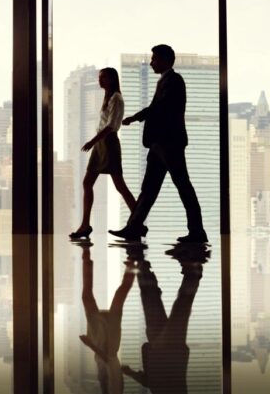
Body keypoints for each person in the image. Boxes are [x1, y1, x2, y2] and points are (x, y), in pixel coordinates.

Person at [109, 45, 207, 246]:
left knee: (182, 186)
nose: (152, 62)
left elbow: (159, 108)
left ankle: (197, 232)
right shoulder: (166, 80)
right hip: (159, 144)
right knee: (149, 189)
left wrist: (136, 117)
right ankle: (134, 227)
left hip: (169, 143)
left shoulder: (174, 80)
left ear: (165, 60)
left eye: (154, 59)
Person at [121, 250, 203, 394]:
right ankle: (193, 268)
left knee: (152, 301)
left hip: (158, 349)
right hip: (171, 351)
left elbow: (149, 382)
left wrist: (130, 373)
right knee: (179, 306)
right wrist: (130, 373)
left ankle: (141, 265)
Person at [71, 67, 137, 240]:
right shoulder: (107, 97)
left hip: (108, 143)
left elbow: (111, 126)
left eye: (104, 77)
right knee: (88, 182)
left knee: (119, 185)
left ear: (112, 79)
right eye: (99, 77)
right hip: (101, 144)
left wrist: (92, 141)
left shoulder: (117, 98)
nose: (100, 81)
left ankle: (138, 221)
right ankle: (85, 224)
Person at [78, 243, 135, 393]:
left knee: (114, 296)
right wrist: (89, 344)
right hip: (107, 345)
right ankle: (86, 255)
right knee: (115, 296)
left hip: (103, 343)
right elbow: (109, 362)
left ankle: (87, 257)